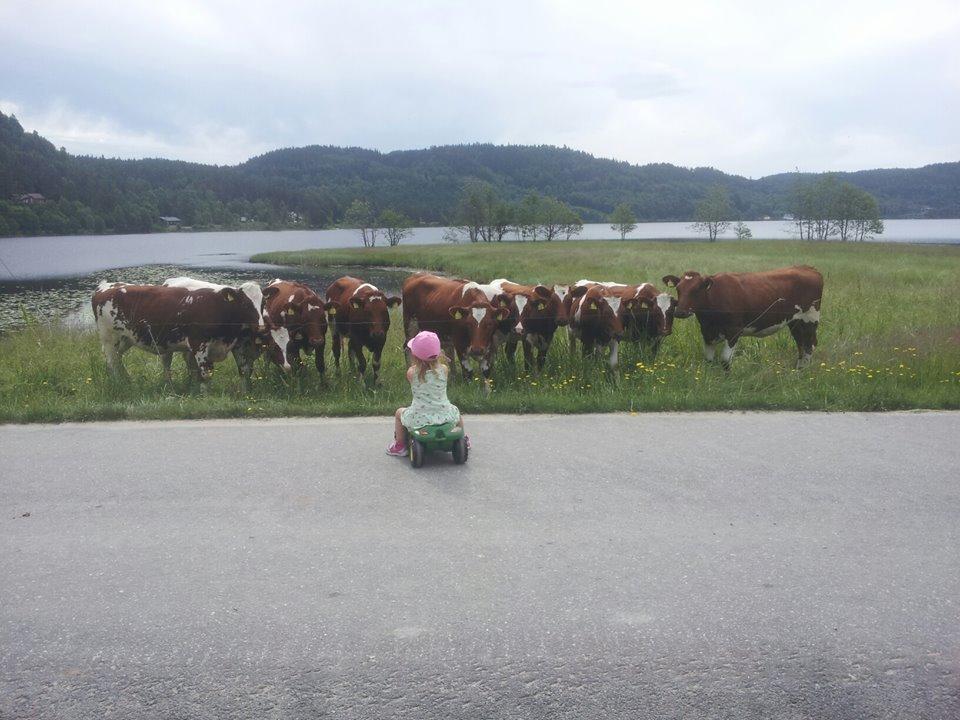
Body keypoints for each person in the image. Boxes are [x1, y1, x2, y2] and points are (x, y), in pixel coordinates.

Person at [387, 330, 466, 456]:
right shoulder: (444, 370)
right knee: (455, 410)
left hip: (420, 416)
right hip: (443, 413)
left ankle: (400, 446)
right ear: (438, 353)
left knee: (398, 413)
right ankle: (464, 439)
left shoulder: (411, 373)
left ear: (414, 355)